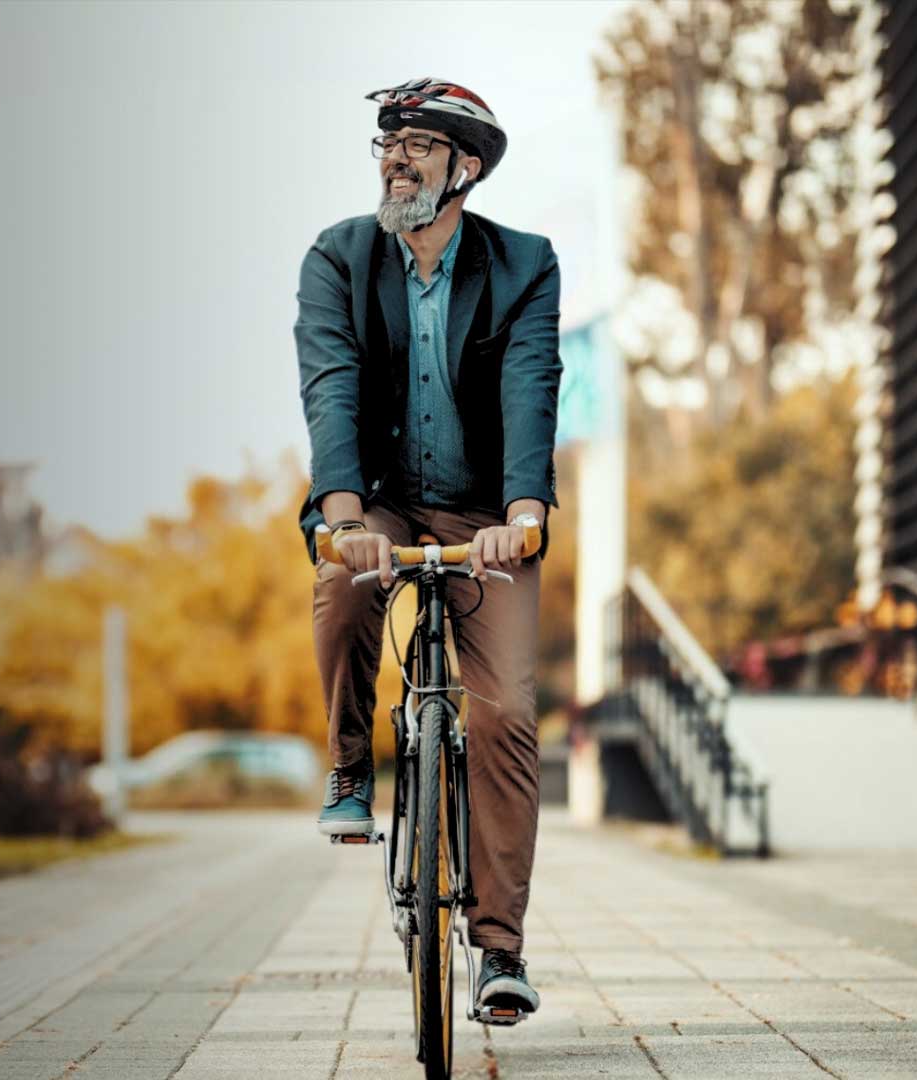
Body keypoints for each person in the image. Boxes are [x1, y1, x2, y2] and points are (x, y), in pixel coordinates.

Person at [294, 76, 560, 1018]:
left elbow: (532, 385)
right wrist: (343, 517)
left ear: (465, 168)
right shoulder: (338, 256)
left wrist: (524, 511)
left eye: (417, 146)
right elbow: (329, 384)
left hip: (487, 513)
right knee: (344, 588)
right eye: (386, 145)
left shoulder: (524, 264)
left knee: (501, 717)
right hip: (381, 501)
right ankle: (349, 765)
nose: (394, 159)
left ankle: (498, 954)